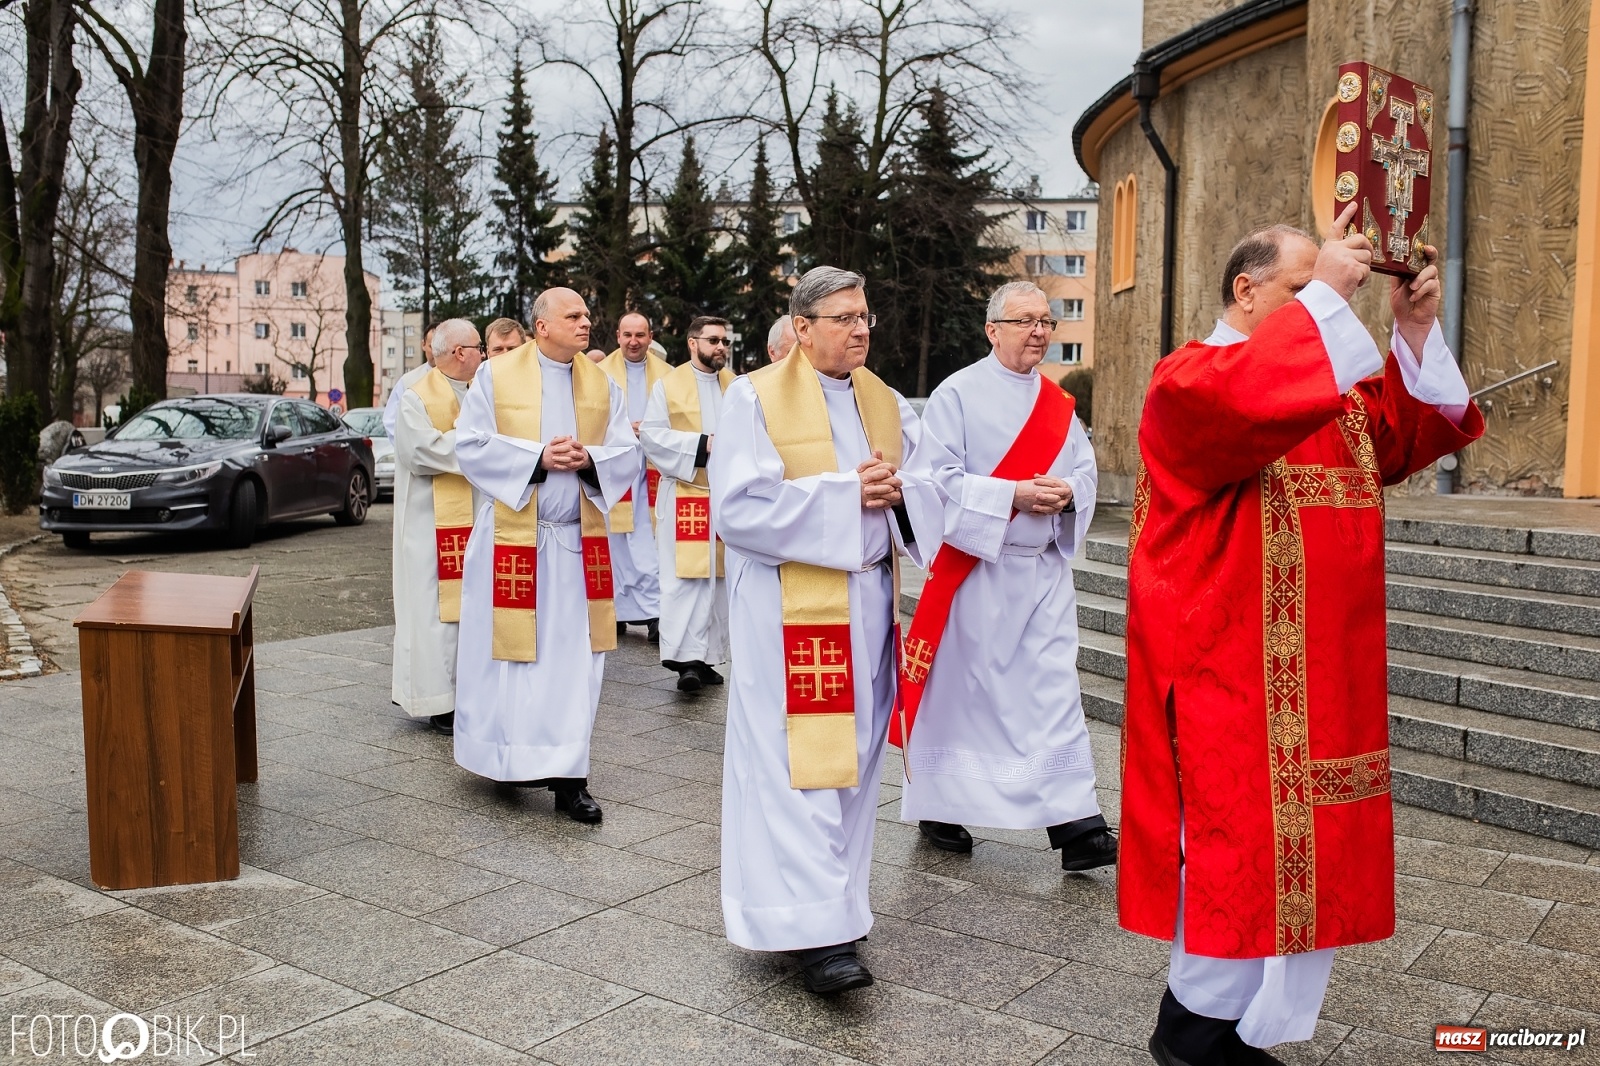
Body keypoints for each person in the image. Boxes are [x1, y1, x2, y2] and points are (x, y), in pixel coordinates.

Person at [1122, 204, 1483, 1066]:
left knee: (1309, 857)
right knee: (1236, 855)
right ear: (1246, 291)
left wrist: (1413, 330)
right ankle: (1193, 1034)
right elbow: (1244, 404)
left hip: (1326, 678)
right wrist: (1330, 295)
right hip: (1230, 675)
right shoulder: (1189, 381)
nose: (1329, 301)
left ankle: (1246, 1029)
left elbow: (1405, 439)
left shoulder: (1329, 394)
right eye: (1305, 287)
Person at [711, 267, 942, 995]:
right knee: (797, 767)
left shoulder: (885, 401)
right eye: (844, 317)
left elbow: (931, 487)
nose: (860, 328)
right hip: (787, 612)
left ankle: (837, 908)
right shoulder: (753, 397)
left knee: (854, 764)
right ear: (803, 328)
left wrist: (903, 495)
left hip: (867, 603)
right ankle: (814, 935)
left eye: (865, 315)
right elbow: (738, 511)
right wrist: (847, 493)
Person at [896, 281, 1115, 870]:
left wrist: (1069, 493)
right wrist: (1011, 494)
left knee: (1055, 692)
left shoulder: (1058, 402)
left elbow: (1086, 472)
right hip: (979, 571)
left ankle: (1077, 823)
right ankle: (940, 805)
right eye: (1025, 321)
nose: (1039, 331)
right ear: (992, 330)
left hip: (1042, 573)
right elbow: (934, 481)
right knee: (966, 696)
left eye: (1046, 321)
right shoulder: (957, 393)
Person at [452, 288, 641, 823]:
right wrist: (537, 457)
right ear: (542, 326)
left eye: (586, 314)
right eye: (573, 315)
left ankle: (570, 778)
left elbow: (628, 451)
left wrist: (589, 460)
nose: (586, 322)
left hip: (577, 545)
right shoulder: (495, 375)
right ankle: (505, 758)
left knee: (575, 664)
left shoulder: (600, 383)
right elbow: (469, 445)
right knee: (512, 661)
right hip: (513, 542)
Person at [390, 319, 483, 736]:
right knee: (434, 612)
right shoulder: (415, 395)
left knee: (472, 607)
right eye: (479, 347)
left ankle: (471, 693)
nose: (483, 354)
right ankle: (439, 700)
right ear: (460, 352)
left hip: (477, 516)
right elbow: (419, 451)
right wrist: (477, 446)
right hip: (429, 525)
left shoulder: (482, 390)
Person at [640, 316, 733, 691]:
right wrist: (701, 444)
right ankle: (685, 661)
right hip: (685, 493)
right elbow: (651, 436)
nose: (721, 347)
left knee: (719, 583)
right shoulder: (668, 384)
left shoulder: (736, 386)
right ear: (693, 343)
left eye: (724, 341)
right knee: (684, 582)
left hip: (723, 496)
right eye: (713, 340)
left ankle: (708, 657)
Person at [598, 313, 671, 642]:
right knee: (614, 544)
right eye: (627, 334)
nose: (633, 341)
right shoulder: (598, 374)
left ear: (650, 337)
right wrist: (623, 431)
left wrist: (652, 431)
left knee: (649, 543)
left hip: (653, 470)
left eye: (640, 335)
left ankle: (654, 613)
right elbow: (589, 420)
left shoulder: (669, 376)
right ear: (618, 336)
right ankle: (615, 611)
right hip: (616, 469)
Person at [384, 321, 438, 440]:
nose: (436, 352)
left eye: (440, 348)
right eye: (432, 347)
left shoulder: (463, 379)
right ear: (423, 345)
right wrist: (408, 445)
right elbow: (391, 421)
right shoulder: (408, 381)